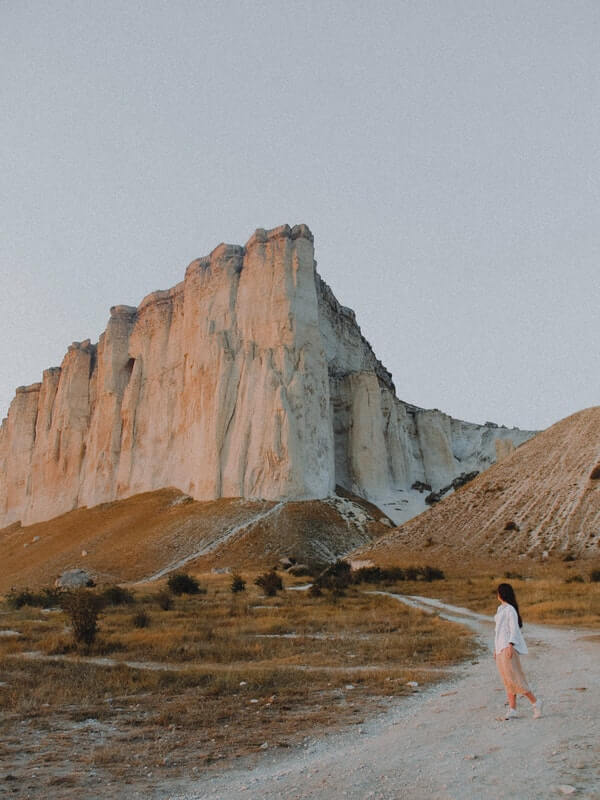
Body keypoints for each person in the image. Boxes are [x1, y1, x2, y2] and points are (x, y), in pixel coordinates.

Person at [494, 582, 542, 720]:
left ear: (502, 594)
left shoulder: (510, 610)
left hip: (508, 648)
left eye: (498, 592)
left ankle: (536, 702)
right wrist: (495, 649)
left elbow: (514, 629)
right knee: (507, 680)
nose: (497, 595)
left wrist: (510, 645)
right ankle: (512, 709)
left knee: (516, 678)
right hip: (500, 649)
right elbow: (498, 631)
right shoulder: (500, 609)